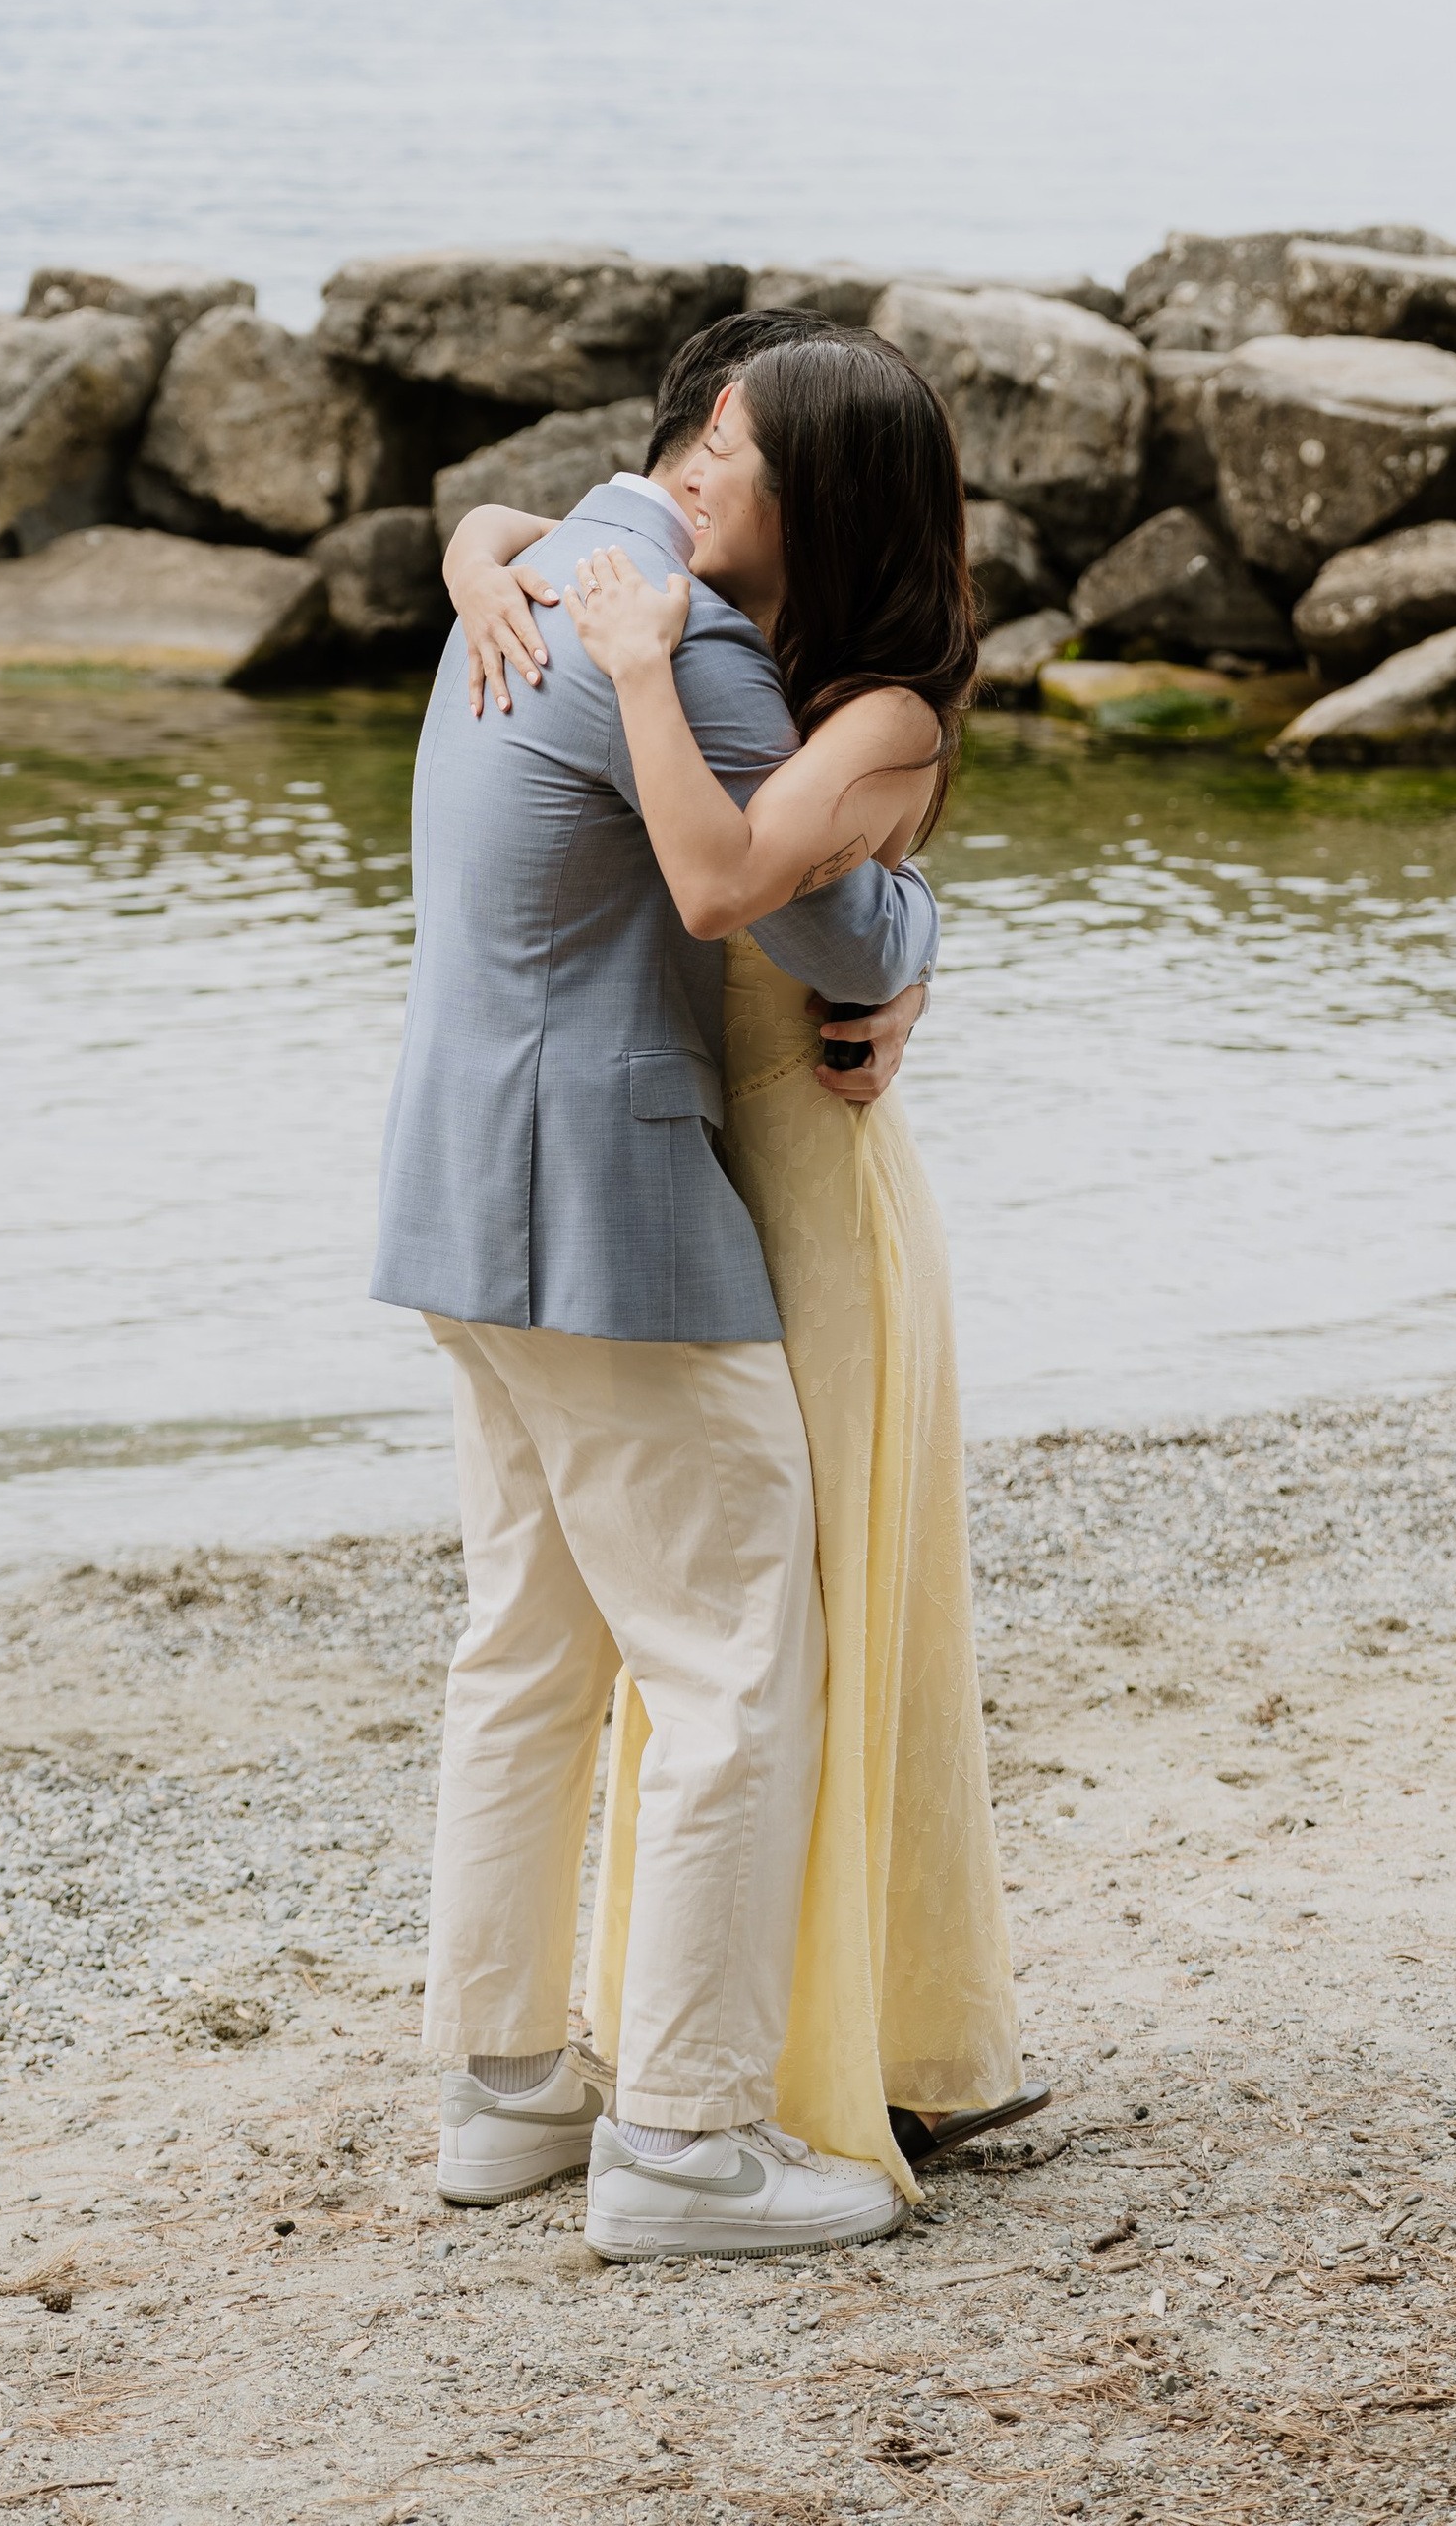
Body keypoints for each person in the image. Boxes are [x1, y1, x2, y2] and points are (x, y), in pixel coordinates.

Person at [447, 321, 1040, 2254]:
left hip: (484, 1195)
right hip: (619, 1213)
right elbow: (756, 904)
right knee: (730, 1663)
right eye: (707, 433)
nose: (705, 468)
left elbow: (827, 915)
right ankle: (683, 2144)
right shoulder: (670, 636)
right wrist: (901, 937)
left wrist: (904, 939)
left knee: (535, 1650)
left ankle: (504, 2091)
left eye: (743, 449)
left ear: (821, 499)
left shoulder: (590, 599)